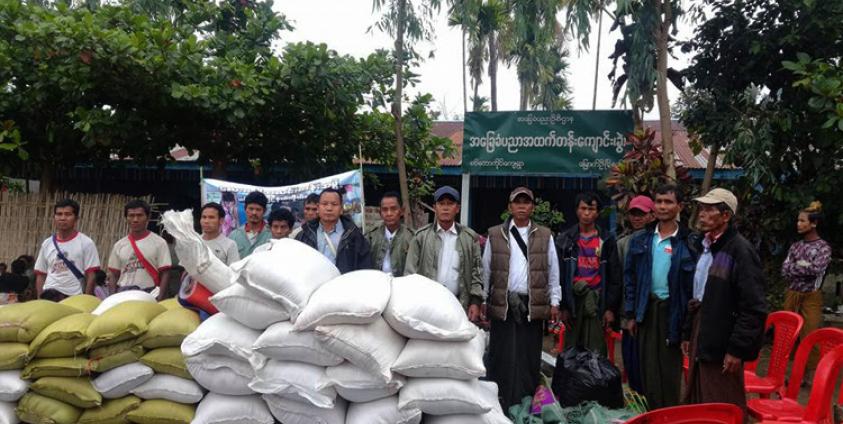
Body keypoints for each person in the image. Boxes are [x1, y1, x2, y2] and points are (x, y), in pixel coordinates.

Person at [682, 188, 767, 416]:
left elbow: (754, 307)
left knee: (723, 403)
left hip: (723, 338)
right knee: (700, 398)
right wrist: (688, 331)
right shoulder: (706, 246)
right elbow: (698, 295)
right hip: (704, 330)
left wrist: (736, 350)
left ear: (726, 216)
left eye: (709, 209)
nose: (701, 214)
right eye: (701, 208)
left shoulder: (740, 250)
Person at [482, 187, 561, 410]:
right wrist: (484, 301)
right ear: (510, 207)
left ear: (532, 207)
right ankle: (501, 403)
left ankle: (527, 403)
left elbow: (552, 269)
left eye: (526, 203)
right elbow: (486, 269)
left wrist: (555, 300)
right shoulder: (495, 234)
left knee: (528, 356)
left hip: (531, 304)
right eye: (517, 203)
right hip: (503, 303)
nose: (522, 207)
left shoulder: (545, 235)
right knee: (502, 355)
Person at [623, 185, 694, 409]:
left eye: (669, 202)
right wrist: (631, 314)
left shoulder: (689, 242)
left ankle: (669, 413)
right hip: (646, 309)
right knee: (647, 368)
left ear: (679, 207)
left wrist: (688, 325)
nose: (663, 206)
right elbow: (630, 279)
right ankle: (650, 413)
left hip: (673, 312)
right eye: (660, 201)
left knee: (669, 369)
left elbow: (693, 286)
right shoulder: (641, 240)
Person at [555, 192, 621, 355]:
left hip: (597, 302)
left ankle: (595, 381)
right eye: (583, 208)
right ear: (577, 211)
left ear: (597, 212)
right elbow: (560, 275)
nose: (586, 213)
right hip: (574, 302)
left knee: (596, 350)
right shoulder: (566, 240)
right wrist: (563, 306)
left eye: (591, 209)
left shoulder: (606, 240)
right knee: (572, 350)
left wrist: (610, 308)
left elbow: (614, 276)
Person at [404, 186, 484, 320]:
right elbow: (410, 273)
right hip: (427, 304)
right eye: (441, 204)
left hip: (459, 304)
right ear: (435, 207)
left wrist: (475, 302)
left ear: (457, 208)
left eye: (450, 204)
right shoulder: (421, 237)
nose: (445, 208)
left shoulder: (470, 238)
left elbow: (477, 273)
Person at [781, 201, 831, 374]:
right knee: (786, 335)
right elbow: (785, 270)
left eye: (802, 221)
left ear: (814, 223)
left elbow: (816, 270)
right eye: (798, 220)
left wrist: (798, 265)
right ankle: (783, 372)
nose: (798, 224)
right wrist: (803, 265)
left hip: (811, 296)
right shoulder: (796, 246)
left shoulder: (823, 247)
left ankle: (807, 375)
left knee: (809, 335)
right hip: (792, 294)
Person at [616, 194, 655, 394]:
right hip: (629, 312)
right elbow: (622, 281)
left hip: (653, 313)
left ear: (651, 215)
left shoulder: (659, 241)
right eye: (633, 214)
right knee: (631, 360)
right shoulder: (623, 244)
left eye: (642, 214)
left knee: (649, 362)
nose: (637, 218)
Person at [34, 199, 101, 301]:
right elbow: (41, 274)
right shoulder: (47, 244)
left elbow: (91, 275)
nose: (63, 218)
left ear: (76, 218)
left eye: (68, 214)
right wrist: (40, 299)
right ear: (54, 217)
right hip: (49, 295)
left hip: (74, 296)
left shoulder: (86, 243)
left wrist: (86, 300)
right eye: (59, 214)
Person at [296, 188, 373, 273]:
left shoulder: (354, 236)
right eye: (325, 204)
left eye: (334, 204)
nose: (329, 208)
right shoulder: (304, 235)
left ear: (341, 209)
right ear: (318, 208)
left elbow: (365, 268)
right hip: (312, 285)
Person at [108, 199, 172, 300]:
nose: (135, 219)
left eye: (139, 215)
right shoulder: (119, 245)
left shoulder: (159, 243)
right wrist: (112, 298)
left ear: (148, 217)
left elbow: (165, 273)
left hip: (148, 293)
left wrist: (160, 297)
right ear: (126, 218)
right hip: (123, 293)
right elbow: (114, 275)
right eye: (131, 216)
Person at [365, 191, 413, 275]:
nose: (389, 213)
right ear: (380, 213)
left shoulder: (411, 237)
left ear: (402, 211)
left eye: (394, 209)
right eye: (385, 210)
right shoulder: (370, 235)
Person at [229, 191, 272, 258]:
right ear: (245, 209)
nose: (254, 213)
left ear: (264, 211)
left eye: (258, 209)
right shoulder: (234, 236)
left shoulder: (272, 235)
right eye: (251, 209)